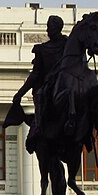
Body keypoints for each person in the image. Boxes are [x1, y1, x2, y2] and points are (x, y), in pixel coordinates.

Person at [6, 15, 69, 150]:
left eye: (50, 27)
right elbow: (35, 75)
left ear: (58, 28)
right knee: (41, 98)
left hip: (65, 85)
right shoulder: (42, 49)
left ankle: (97, 122)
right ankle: (36, 129)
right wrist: (20, 93)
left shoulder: (68, 44)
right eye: (48, 27)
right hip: (47, 87)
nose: (48, 30)